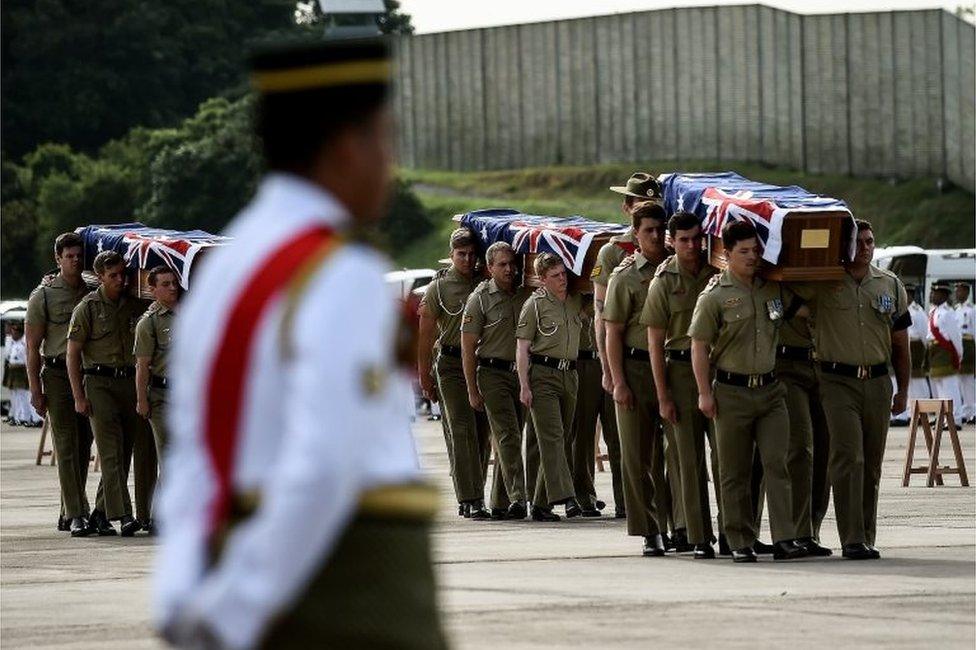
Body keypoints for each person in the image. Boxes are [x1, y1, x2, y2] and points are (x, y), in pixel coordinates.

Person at [155, 37, 446, 649]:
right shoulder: (341, 271)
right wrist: (239, 609)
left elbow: (195, 455)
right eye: (384, 140)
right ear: (347, 146)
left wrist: (187, 596)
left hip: (228, 574)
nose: (390, 163)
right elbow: (326, 462)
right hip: (342, 597)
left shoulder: (227, 268)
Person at [689, 220, 808, 563]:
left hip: (770, 392)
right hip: (731, 392)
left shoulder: (773, 290)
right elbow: (699, 345)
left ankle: (785, 537)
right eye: (744, 251)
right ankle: (739, 539)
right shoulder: (714, 296)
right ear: (727, 254)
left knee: (777, 464)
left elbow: (806, 311)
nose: (753, 257)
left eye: (757, 250)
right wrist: (703, 393)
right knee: (734, 471)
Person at [793, 219, 911, 560]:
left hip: (876, 382)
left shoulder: (889, 285)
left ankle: (866, 535)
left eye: (870, 241)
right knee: (849, 457)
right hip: (835, 381)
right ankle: (852, 537)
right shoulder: (824, 282)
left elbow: (900, 343)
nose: (865, 247)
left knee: (872, 463)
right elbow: (787, 297)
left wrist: (903, 390)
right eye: (858, 241)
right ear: (844, 246)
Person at [642, 210, 722, 558]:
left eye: (696, 239)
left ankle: (734, 532)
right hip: (679, 374)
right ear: (671, 242)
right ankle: (699, 535)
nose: (692, 246)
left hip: (719, 372)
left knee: (727, 459)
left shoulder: (716, 272)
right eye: (684, 240)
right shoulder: (662, 281)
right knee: (688, 462)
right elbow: (654, 344)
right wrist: (663, 396)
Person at [603, 201, 676, 556]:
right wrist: (617, 381)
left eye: (661, 230)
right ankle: (650, 530)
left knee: (676, 454)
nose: (657, 236)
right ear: (636, 234)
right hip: (635, 368)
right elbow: (612, 332)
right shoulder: (625, 275)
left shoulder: (678, 270)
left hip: (674, 368)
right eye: (649, 230)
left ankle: (678, 523)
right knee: (637, 455)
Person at [67, 250, 150, 537]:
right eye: (113, 275)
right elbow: (72, 354)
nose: (120, 280)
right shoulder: (87, 308)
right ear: (100, 276)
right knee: (110, 451)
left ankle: (100, 513)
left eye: (122, 274)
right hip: (98, 383)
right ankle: (123, 515)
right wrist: (79, 395)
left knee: (125, 450)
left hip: (127, 383)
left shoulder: (134, 305)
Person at [25, 232, 102, 537]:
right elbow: (32, 346)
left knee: (84, 445)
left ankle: (66, 509)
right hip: (56, 375)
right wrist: (35, 389)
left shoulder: (91, 290)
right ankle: (78, 514)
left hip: (87, 375)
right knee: (67, 445)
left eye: (78, 256)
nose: (75, 261)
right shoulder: (42, 295)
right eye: (68, 257)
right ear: (57, 259)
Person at [418, 228, 493, 519]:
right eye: (461, 254)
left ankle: (474, 491)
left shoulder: (484, 284)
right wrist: (424, 376)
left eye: (472, 254)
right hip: (449, 365)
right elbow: (425, 335)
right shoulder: (439, 287)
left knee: (481, 432)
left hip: (479, 363)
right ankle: (471, 497)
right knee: (460, 429)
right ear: (450, 255)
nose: (467, 259)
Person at [461, 241, 532, 519]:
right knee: (507, 435)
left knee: (512, 437)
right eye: (502, 264)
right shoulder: (480, 299)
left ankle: (501, 503)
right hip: (492, 374)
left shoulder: (525, 292)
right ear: (489, 268)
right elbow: (468, 348)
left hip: (521, 374)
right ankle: (519, 496)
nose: (509, 269)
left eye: (512, 264)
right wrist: (472, 389)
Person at [516, 253, 584, 521]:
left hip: (570, 376)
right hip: (542, 376)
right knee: (552, 436)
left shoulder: (576, 300)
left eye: (564, 274)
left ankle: (541, 504)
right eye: (555, 276)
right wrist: (524, 386)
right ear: (542, 280)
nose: (562, 280)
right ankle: (568, 497)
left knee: (561, 438)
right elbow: (522, 348)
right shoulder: (534, 305)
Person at [134, 265, 180, 535]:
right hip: (160, 397)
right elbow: (142, 366)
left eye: (174, 282)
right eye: (165, 283)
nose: (172, 287)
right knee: (168, 457)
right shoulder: (149, 323)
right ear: (152, 289)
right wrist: (142, 400)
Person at [567, 293, 621, 517]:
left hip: (611, 358)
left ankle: (626, 500)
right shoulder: (570, 286)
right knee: (583, 434)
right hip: (582, 361)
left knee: (617, 433)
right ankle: (584, 497)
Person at [890, 283, 931, 426]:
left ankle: (921, 413)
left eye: (906, 294)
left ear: (911, 295)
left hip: (915, 347)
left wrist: (925, 354)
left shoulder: (917, 311)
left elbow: (924, 334)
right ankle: (903, 414)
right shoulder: (898, 309)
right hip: (901, 345)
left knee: (917, 382)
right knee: (899, 380)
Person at [927, 282, 964, 427]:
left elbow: (956, 337)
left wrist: (958, 355)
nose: (933, 296)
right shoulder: (933, 312)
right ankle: (942, 417)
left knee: (950, 387)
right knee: (939, 388)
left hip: (946, 352)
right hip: (934, 353)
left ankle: (955, 418)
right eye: (933, 293)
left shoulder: (948, 313)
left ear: (944, 295)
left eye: (936, 293)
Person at [4, 322, 41, 426]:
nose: (13, 334)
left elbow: (27, 360)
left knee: (27, 396)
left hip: (23, 371)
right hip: (15, 372)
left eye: (15, 332)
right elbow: (8, 356)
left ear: (20, 333)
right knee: (18, 396)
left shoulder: (23, 343)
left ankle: (35, 419)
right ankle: (22, 417)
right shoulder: (14, 343)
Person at [954, 282, 975, 424]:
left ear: (967, 293)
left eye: (960, 291)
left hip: (969, 345)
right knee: (961, 381)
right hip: (959, 346)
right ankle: (966, 411)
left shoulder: (972, 310)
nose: (958, 294)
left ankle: (973, 411)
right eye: (957, 291)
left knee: (969, 382)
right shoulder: (956, 310)